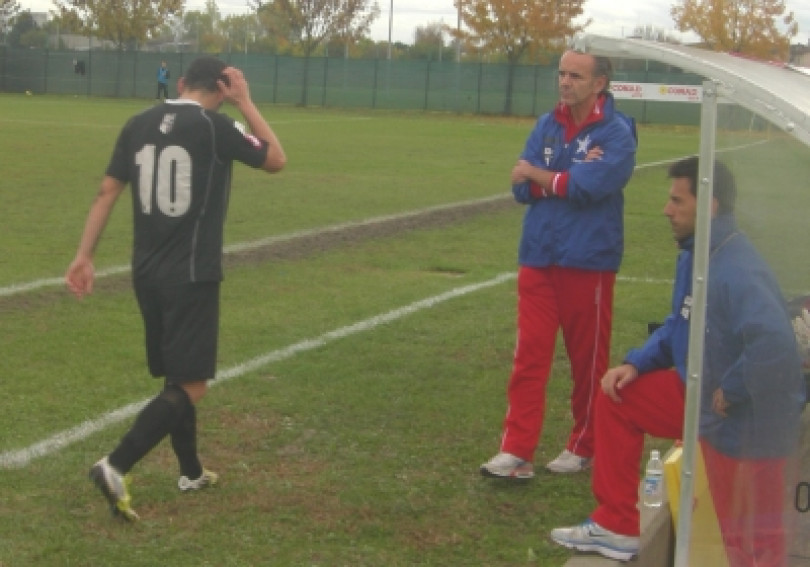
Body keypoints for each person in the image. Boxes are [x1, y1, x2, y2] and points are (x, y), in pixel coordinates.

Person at [550, 157, 805, 564]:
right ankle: (616, 525)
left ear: (710, 206)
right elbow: (679, 323)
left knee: (750, 541)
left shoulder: (736, 266)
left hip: (744, 420)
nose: (667, 210)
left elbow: (775, 342)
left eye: (676, 201)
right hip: (701, 395)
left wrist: (733, 389)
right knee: (617, 397)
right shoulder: (695, 253)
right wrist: (636, 363)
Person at [65, 56, 286, 521]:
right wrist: (246, 102)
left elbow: (107, 192)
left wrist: (84, 255)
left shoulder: (137, 122)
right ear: (223, 88)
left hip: (146, 272)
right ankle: (115, 464)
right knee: (192, 384)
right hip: (191, 273)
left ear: (181, 82)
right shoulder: (216, 125)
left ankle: (190, 471)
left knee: (176, 375)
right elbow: (275, 159)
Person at [480, 49, 637, 478]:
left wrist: (540, 175)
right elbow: (520, 189)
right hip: (538, 255)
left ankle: (584, 443)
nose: (565, 82)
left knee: (587, 361)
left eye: (575, 76)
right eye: (562, 73)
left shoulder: (617, 133)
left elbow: (587, 188)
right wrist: (553, 180)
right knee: (529, 357)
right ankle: (517, 451)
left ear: (598, 83)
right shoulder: (547, 124)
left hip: (588, 260)